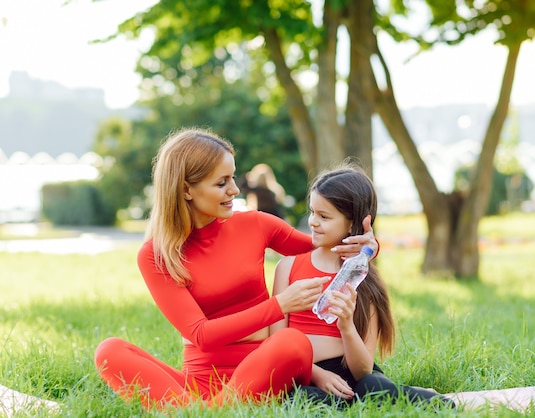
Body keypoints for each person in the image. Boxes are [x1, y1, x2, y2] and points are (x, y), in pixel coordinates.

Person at [93, 128, 379, 410]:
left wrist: (370, 247)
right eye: (222, 183)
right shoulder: (156, 255)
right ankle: (211, 410)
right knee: (109, 351)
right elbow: (201, 335)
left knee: (292, 341)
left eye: (232, 178)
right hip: (197, 384)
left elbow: (325, 243)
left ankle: (197, 412)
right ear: (185, 189)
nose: (235, 189)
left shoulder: (256, 224)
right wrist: (280, 305)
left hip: (264, 372)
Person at [269, 162, 455, 409]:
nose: (313, 221)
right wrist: (316, 374)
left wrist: (346, 325)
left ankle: (421, 401)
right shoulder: (288, 267)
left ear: (353, 222)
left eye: (324, 216)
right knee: (301, 396)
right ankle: (381, 400)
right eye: (312, 212)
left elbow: (363, 369)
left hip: (350, 373)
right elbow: (277, 342)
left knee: (372, 386)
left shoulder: (363, 279)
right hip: (303, 372)